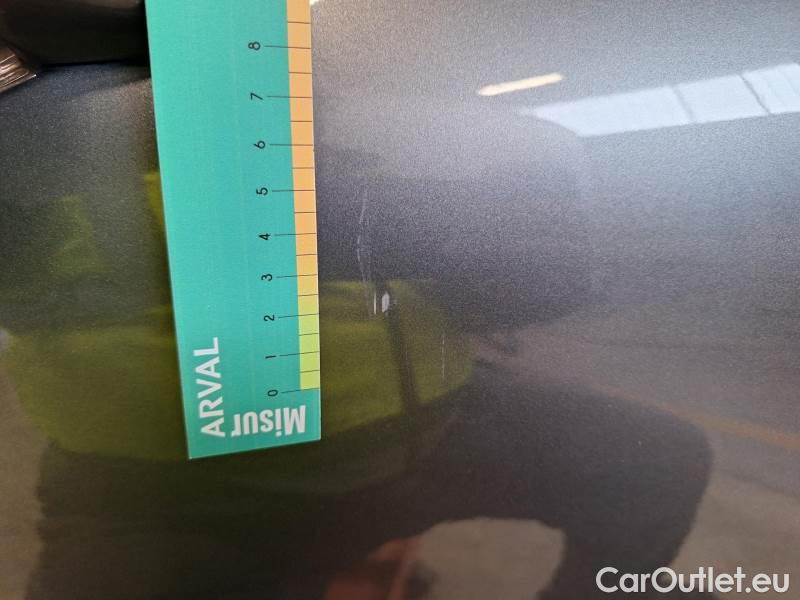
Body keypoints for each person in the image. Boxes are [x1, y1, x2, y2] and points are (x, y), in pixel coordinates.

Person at [0, 3, 712, 598]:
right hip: (170, 492)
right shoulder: (39, 127)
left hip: (419, 425)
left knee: (659, 462)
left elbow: (460, 259)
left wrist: (497, 258)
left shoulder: (304, 88)